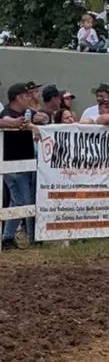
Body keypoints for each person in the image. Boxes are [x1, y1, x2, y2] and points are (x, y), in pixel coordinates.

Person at [0, 83, 37, 249]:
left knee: (19, 200)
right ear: (18, 97)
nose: (30, 98)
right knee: (23, 200)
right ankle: (26, 237)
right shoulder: (8, 112)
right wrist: (15, 123)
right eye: (27, 95)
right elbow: (5, 120)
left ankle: (8, 237)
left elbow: (42, 117)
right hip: (13, 164)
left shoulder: (26, 113)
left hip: (23, 163)